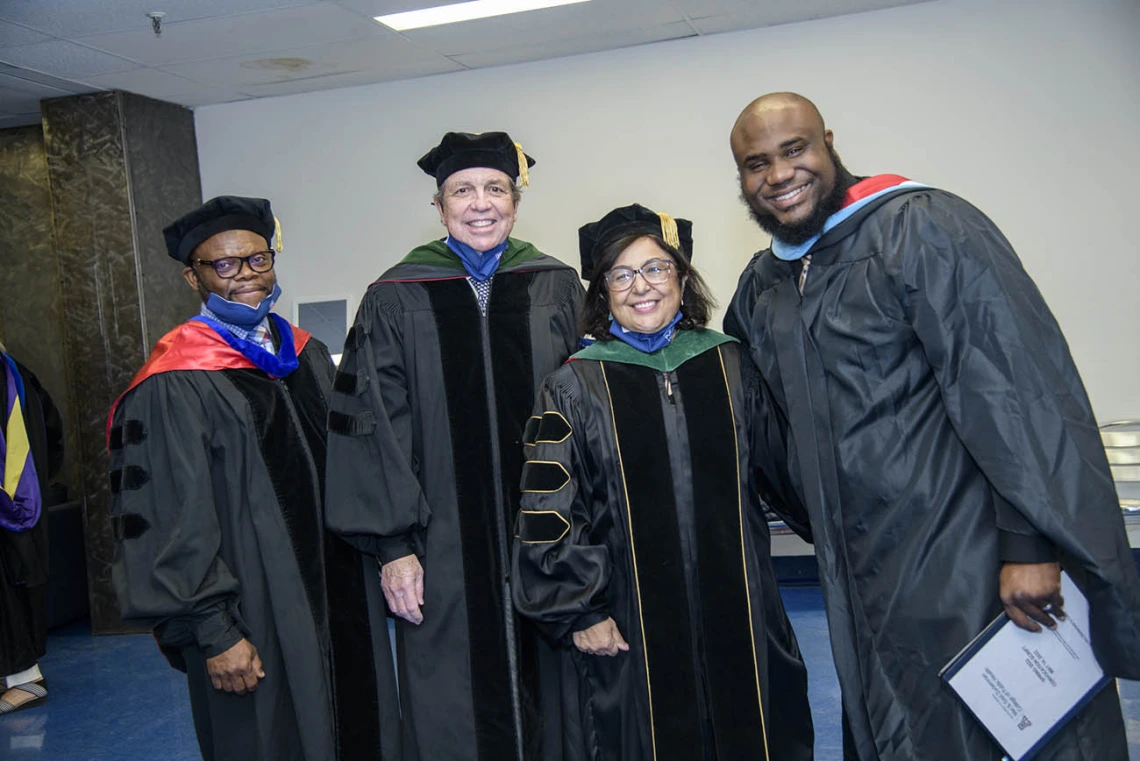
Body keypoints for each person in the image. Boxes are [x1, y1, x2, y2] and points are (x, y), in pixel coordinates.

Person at [725, 91, 1140, 760]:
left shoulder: (923, 227)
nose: (778, 174)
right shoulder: (764, 284)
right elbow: (772, 427)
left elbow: (1009, 382)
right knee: (905, 724)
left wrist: (1029, 543)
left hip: (967, 549)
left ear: (827, 141)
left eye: (794, 149)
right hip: (863, 567)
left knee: (1010, 728)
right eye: (755, 162)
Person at [512, 204, 814, 761]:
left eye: (655, 269)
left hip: (744, 612)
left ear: (681, 277)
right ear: (602, 292)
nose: (640, 287)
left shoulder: (730, 365)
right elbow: (548, 508)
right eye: (621, 275)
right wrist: (580, 608)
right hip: (630, 624)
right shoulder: (573, 386)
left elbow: (790, 470)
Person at [107, 196, 399, 761]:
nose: (246, 276)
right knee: (267, 739)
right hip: (251, 607)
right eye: (225, 265)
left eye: (257, 260)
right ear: (194, 276)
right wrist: (213, 631)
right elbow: (167, 518)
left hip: (340, 595)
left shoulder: (304, 353)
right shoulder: (173, 380)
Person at [325, 131, 584, 761]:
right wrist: (392, 547)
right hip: (438, 547)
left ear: (515, 204)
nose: (480, 203)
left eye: (495, 189)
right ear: (438, 208)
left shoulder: (555, 285)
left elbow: (592, 411)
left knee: (561, 696)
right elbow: (371, 426)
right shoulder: (394, 296)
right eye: (461, 191)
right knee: (449, 707)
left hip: (550, 539)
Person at [0, 346, 63, 716]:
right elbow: (54, 435)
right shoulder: (15, 368)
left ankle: (25, 677)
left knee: (8, 587)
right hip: (21, 495)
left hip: (12, 503)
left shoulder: (8, 374)